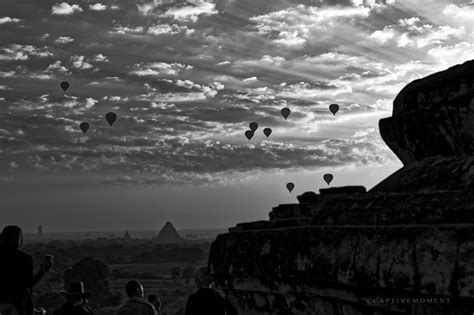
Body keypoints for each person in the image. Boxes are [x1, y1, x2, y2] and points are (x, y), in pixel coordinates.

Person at [0, 225, 53, 315]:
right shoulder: (24, 258)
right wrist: (42, 271)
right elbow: (28, 283)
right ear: (18, 239)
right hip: (17, 304)